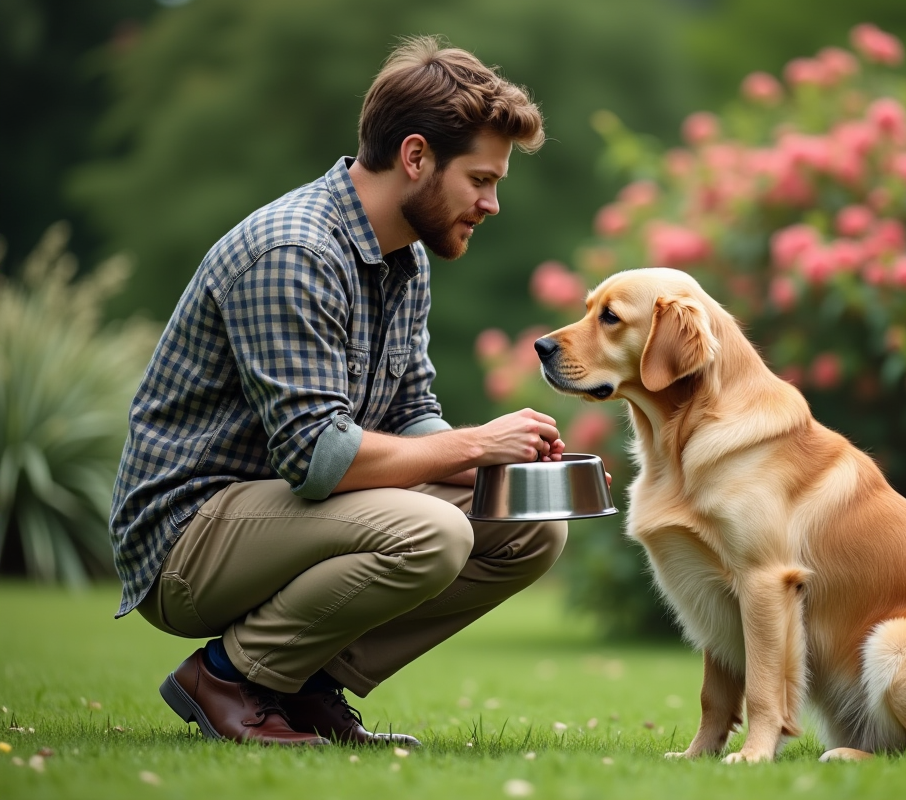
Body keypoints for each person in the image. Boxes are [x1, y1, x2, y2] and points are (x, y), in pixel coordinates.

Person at [109, 35, 568, 747]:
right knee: (434, 532)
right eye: (480, 179)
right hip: (188, 537)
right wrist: (476, 443)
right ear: (415, 157)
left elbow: (412, 416)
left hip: (296, 515)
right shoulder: (294, 252)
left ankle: (304, 686)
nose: (492, 203)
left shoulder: (403, 257)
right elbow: (318, 458)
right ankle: (228, 677)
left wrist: (494, 462)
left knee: (529, 520)